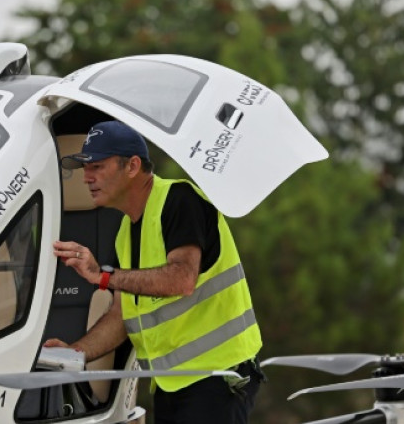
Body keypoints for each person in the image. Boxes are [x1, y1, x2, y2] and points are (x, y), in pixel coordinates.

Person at [45, 120, 264, 424]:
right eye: (84, 168)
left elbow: (181, 279)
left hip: (217, 376)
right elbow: (121, 316)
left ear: (132, 166)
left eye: (97, 166)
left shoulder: (180, 199)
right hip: (170, 383)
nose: (86, 177)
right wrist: (74, 353)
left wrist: (103, 275)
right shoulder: (124, 231)